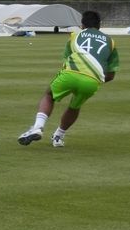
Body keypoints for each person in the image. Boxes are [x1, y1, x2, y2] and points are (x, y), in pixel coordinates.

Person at [18, 10, 119, 148]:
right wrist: (94, 79)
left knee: (49, 95)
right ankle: (59, 136)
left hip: (71, 73)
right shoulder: (111, 42)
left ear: (82, 25)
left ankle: (37, 127)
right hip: (92, 81)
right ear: (99, 25)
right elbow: (111, 75)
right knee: (74, 106)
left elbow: (66, 61)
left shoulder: (74, 36)